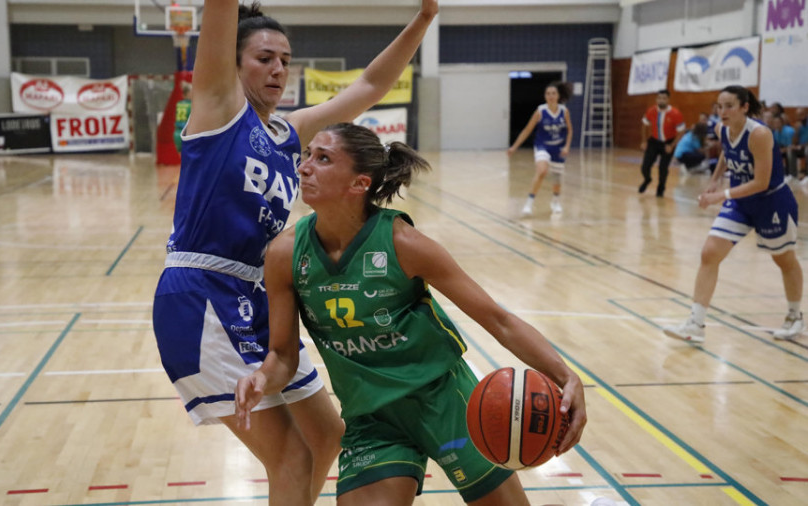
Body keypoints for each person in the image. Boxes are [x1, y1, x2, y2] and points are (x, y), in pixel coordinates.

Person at [151, 2, 441, 505]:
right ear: (233, 66)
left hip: (258, 300)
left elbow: (370, 86)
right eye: (264, 58)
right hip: (200, 301)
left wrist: (424, 18)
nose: (278, 70)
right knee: (291, 457)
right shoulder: (219, 110)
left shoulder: (287, 134)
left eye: (285, 60)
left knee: (326, 437)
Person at [236, 123, 587, 505]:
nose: (304, 167)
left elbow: (498, 319)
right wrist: (262, 378)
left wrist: (566, 376)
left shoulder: (404, 244)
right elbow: (283, 357)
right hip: (371, 419)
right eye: (307, 155)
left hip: (446, 402)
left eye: (323, 159)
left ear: (359, 184)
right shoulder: (285, 254)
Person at [662, 86, 804, 344]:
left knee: (784, 260)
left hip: (771, 201)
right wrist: (715, 180)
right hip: (740, 202)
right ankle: (696, 323)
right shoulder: (721, 129)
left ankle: (795, 316)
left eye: (729, 106)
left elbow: (761, 182)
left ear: (744, 107)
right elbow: (727, 152)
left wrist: (721, 195)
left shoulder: (759, 134)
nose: (722, 111)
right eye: (719, 106)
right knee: (710, 253)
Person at [507, 81, 573, 216]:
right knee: (542, 171)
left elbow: (570, 130)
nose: (551, 96)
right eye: (548, 93)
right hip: (543, 146)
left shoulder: (564, 111)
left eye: (553, 93)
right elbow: (527, 130)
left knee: (556, 178)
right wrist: (514, 147)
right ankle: (529, 204)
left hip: (558, 148)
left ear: (558, 95)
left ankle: (555, 201)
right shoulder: (540, 111)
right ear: (545, 96)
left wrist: (566, 146)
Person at [638, 89, 685, 197]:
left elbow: (681, 131)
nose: (661, 100)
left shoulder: (675, 114)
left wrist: (672, 145)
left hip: (668, 143)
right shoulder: (651, 111)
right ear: (656, 99)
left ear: (668, 100)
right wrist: (644, 141)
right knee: (645, 166)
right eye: (659, 98)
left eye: (664, 98)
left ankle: (661, 189)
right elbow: (644, 125)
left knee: (663, 168)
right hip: (654, 142)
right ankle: (647, 179)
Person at [173, 82, 192, 153]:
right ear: (188, 93)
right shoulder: (192, 105)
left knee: (181, 160)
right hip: (186, 133)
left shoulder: (179, 104)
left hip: (177, 133)